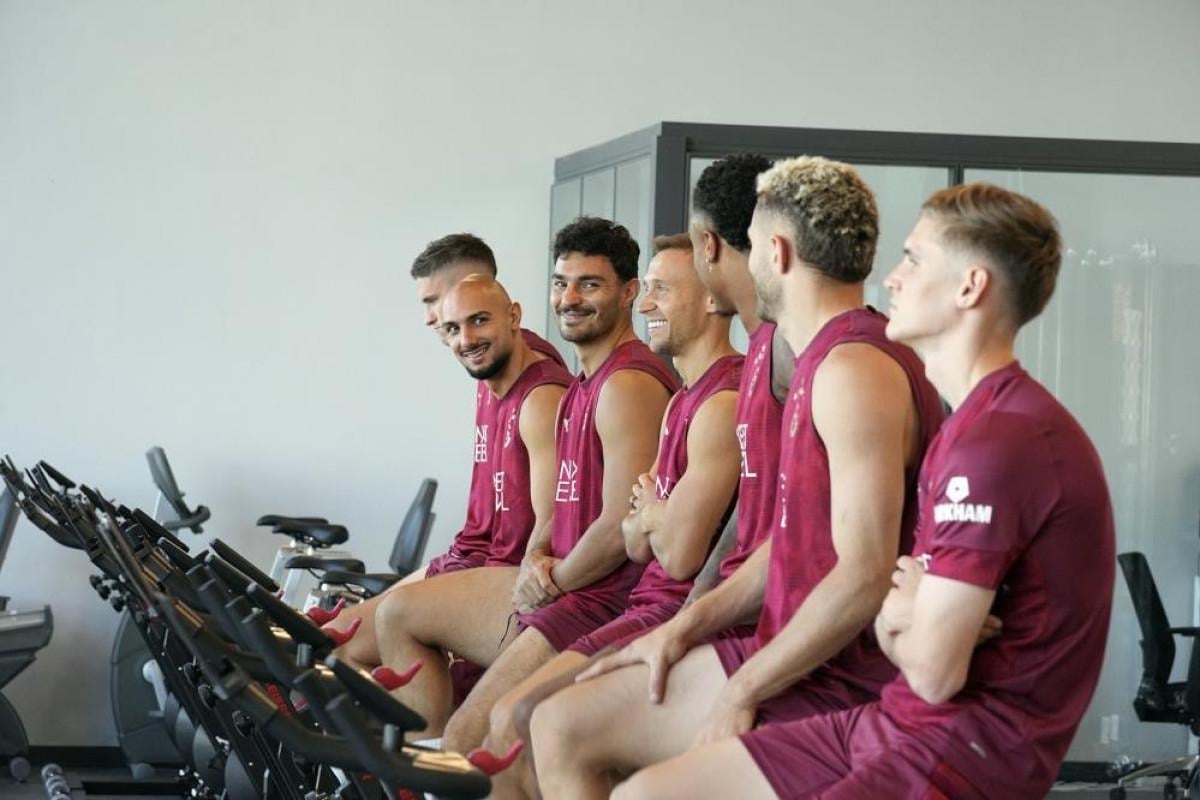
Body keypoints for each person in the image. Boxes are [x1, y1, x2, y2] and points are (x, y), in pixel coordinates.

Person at [608, 183, 1116, 799]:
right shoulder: (970, 424)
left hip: (960, 750)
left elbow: (931, 669)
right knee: (643, 794)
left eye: (915, 260)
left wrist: (898, 615)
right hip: (895, 720)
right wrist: (909, 609)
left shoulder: (999, 440)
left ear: (970, 287)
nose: (893, 278)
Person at [530, 156, 945, 799]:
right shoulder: (810, 362)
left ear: (774, 251)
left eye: (749, 243)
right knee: (557, 723)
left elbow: (863, 575)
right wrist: (683, 628)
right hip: (791, 644)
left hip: (841, 675)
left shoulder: (851, 368)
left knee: (575, 740)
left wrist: (742, 690)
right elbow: (788, 542)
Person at [388, 217, 678, 752]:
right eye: (561, 283)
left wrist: (551, 578)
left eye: (590, 284)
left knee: (471, 736)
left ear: (629, 293)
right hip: (565, 589)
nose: (570, 298)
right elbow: (559, 511)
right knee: (396, 620)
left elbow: (619, 528)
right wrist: (538, 555)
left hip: (601, 602)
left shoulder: (627, 384)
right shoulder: (583, 384)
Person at [481, 234, 743, 798]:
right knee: (505, 726)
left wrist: (648, 518)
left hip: (664, 612)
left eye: (661, 291)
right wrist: (651, 517)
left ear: (712, 298)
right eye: (647, 290)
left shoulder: (717, 401)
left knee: (517, 720)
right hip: (639, 599)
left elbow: (676, 553)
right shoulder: (682, 400)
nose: (646, 305)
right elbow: (637, 536)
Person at [329, 233, 564, 673]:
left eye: (434, 300)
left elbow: (550, 525)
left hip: (507, 584)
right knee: (332, 635)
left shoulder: (535, 383)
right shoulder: (488, 373)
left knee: (348, 644)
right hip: (473, 563)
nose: (430, 318)